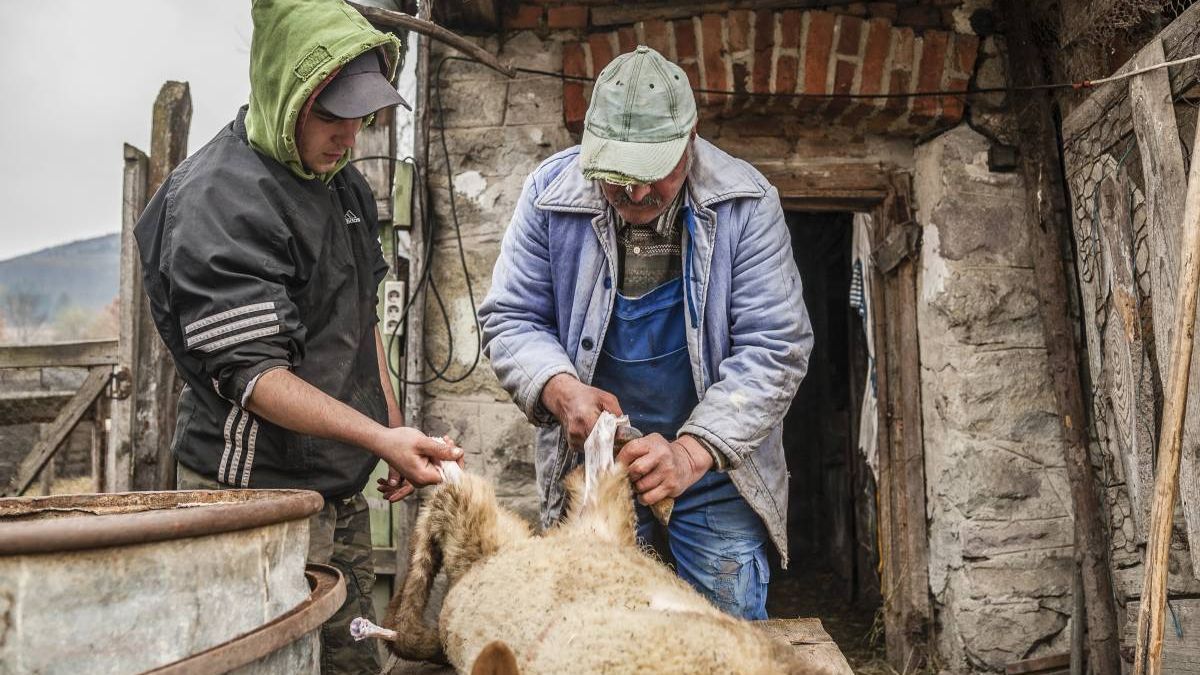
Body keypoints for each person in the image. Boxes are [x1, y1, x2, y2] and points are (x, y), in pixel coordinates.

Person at [134, 1, 461, 672]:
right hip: (255, 500)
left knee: (353, 658)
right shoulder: (220, 201)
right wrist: (377, 437)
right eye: (332, 116)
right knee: (268, 663)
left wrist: (392, 432)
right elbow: (257, 377)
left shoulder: (343, 189)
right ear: (286, 93)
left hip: (337, 490)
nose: (351, 136)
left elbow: (362, 318)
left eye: (362, 116)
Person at [479, 45, 813, 620]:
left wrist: (690, 452)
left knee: (719, 641)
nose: (634, 195)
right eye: (617, 177)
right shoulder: (548, 195)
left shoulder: (747, 204)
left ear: (690, 140)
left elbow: (774, 347)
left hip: (715, 472)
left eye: (651, 173)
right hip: (595, 465)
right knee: (593, 632)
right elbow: (512, 318)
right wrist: (561, 391)